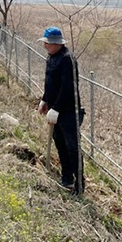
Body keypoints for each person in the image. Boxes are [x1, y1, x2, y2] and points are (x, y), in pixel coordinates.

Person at [37, 27, 85, 194]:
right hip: (54, 109)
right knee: (61, 145)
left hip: (69, 112)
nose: (45, 46)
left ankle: (79, 186)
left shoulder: (67, 60)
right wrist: (45, 99)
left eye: (48, 43)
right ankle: (66, 178)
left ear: (57, 44)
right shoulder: (51, 57)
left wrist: (56, 108)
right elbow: (50, 82)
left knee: (73, 147)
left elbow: (68, 87)